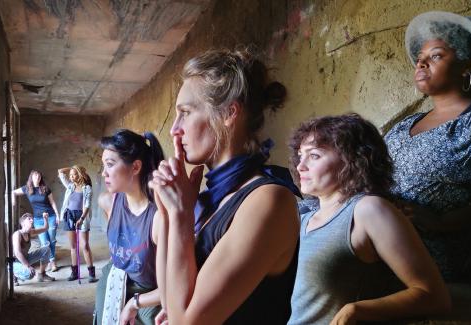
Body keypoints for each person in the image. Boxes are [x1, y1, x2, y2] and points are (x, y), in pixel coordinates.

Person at [149, 48, 301, 324]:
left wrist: (182, 216)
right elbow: (171, 301)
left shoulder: (269, 200)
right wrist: (169, 212)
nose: (174, 130)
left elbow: (187, 323)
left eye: (185, 113)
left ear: (229, 113)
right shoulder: (210, 199)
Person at [287, 114, 451, 324]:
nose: (301, 166)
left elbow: (434, 297)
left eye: (315, 156)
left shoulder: (368, 210)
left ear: (352, 159)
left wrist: (357, 310)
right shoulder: (304, 218)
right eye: (300, 155)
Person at [385, 11, 471, 282]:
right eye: (420, 59)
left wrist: (443, 222)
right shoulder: (404, 125)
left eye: (436, 56)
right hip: (383, 241)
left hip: (435, 255)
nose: (421, 64)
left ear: (468, 65)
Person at [93, 129, 166, 325]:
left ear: (135, 167)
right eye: (103, 165)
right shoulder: (108, 202)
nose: (104, 173)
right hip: (113, 285)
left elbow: (171, 287)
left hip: (148, 298)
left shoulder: (158, 218)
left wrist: (134, 303)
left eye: (110, 164)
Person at [12, 170, 61, 272]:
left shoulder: (45, 189)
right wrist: (13, 203)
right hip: (38, 219)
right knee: (44, 242)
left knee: (52, 240)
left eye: (39, 176)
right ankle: (50, 262)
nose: (38, 177)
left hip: (50, 216)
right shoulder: (27, 189)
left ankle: (52, 263)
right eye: (35, 176)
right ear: (31, 177)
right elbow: (14, 192)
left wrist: (57, 215)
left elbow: (52, 203)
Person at [58, 165, 97, 282]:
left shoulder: (87, 188)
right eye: (70, 175)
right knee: (73, 246)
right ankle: (74, 272)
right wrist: (72, 167)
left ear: (79, 174)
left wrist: (82, 218)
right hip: (69, 215)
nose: (71, 177)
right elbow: (60, 171)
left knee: (84, 245)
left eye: (73, 174)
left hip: (82, 216)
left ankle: (91, 273)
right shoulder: (70, 186)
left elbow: (87, 205)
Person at [12, 212, 56, 283]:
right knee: (30, 274)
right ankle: (14, 274)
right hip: (15, 262)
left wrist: (45, 218)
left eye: (32, 219)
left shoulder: (30, 232)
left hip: (26, 258)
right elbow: (17, 252)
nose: (32, 220)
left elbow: (45, 228)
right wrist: (28, 266)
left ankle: (42, 274)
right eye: (29, 219)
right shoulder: (17, 234)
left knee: (46, 250)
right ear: (23, 223)